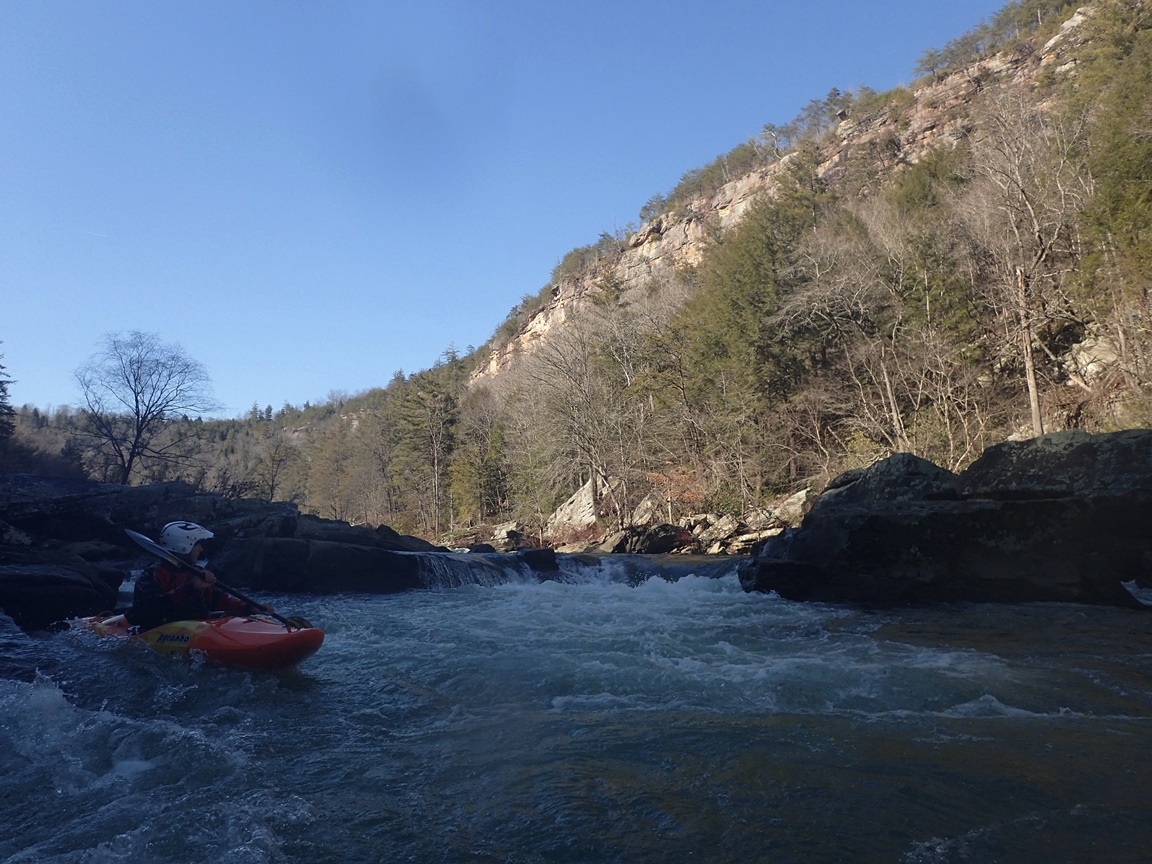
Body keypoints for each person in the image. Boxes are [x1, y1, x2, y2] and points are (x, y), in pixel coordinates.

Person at [127, 521, 271, 630]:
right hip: (160, 628)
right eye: (198, 544)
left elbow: (218, 599)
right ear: (184, 545)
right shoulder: (152, 574)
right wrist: (191, 588)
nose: (201, 549)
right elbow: (143, 613)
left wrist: (249, 607)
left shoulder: (196, 571)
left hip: (194, 625)